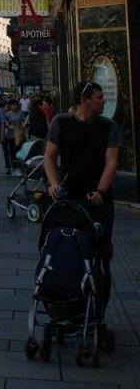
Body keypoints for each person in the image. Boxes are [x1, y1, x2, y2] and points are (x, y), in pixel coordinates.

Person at [44, 80, 120, 308]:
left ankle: (98, 311)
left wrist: (100, 191)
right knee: (68, 247)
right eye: (99, 97)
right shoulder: (61, 122)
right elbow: (49, 157)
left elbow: (112, 161)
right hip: (70, 198)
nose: (104, 101)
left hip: (98, 200)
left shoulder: (108, 126)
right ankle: (68, 304)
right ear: (85, 100)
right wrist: (54, 184)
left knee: (101, 253)